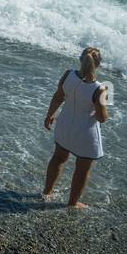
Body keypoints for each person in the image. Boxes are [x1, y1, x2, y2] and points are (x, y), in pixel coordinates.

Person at [42, 47, 107, 208]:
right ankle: (72, 202)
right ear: (98, 65)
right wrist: (106, 102)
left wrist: (49, 115)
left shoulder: (68, 75)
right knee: (82, 169)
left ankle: (47, 192)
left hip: (64, 125)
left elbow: (58, 97)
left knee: (58, 158)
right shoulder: (99, 88)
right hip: (85, 133)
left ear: (81, 60)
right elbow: (102, 118)